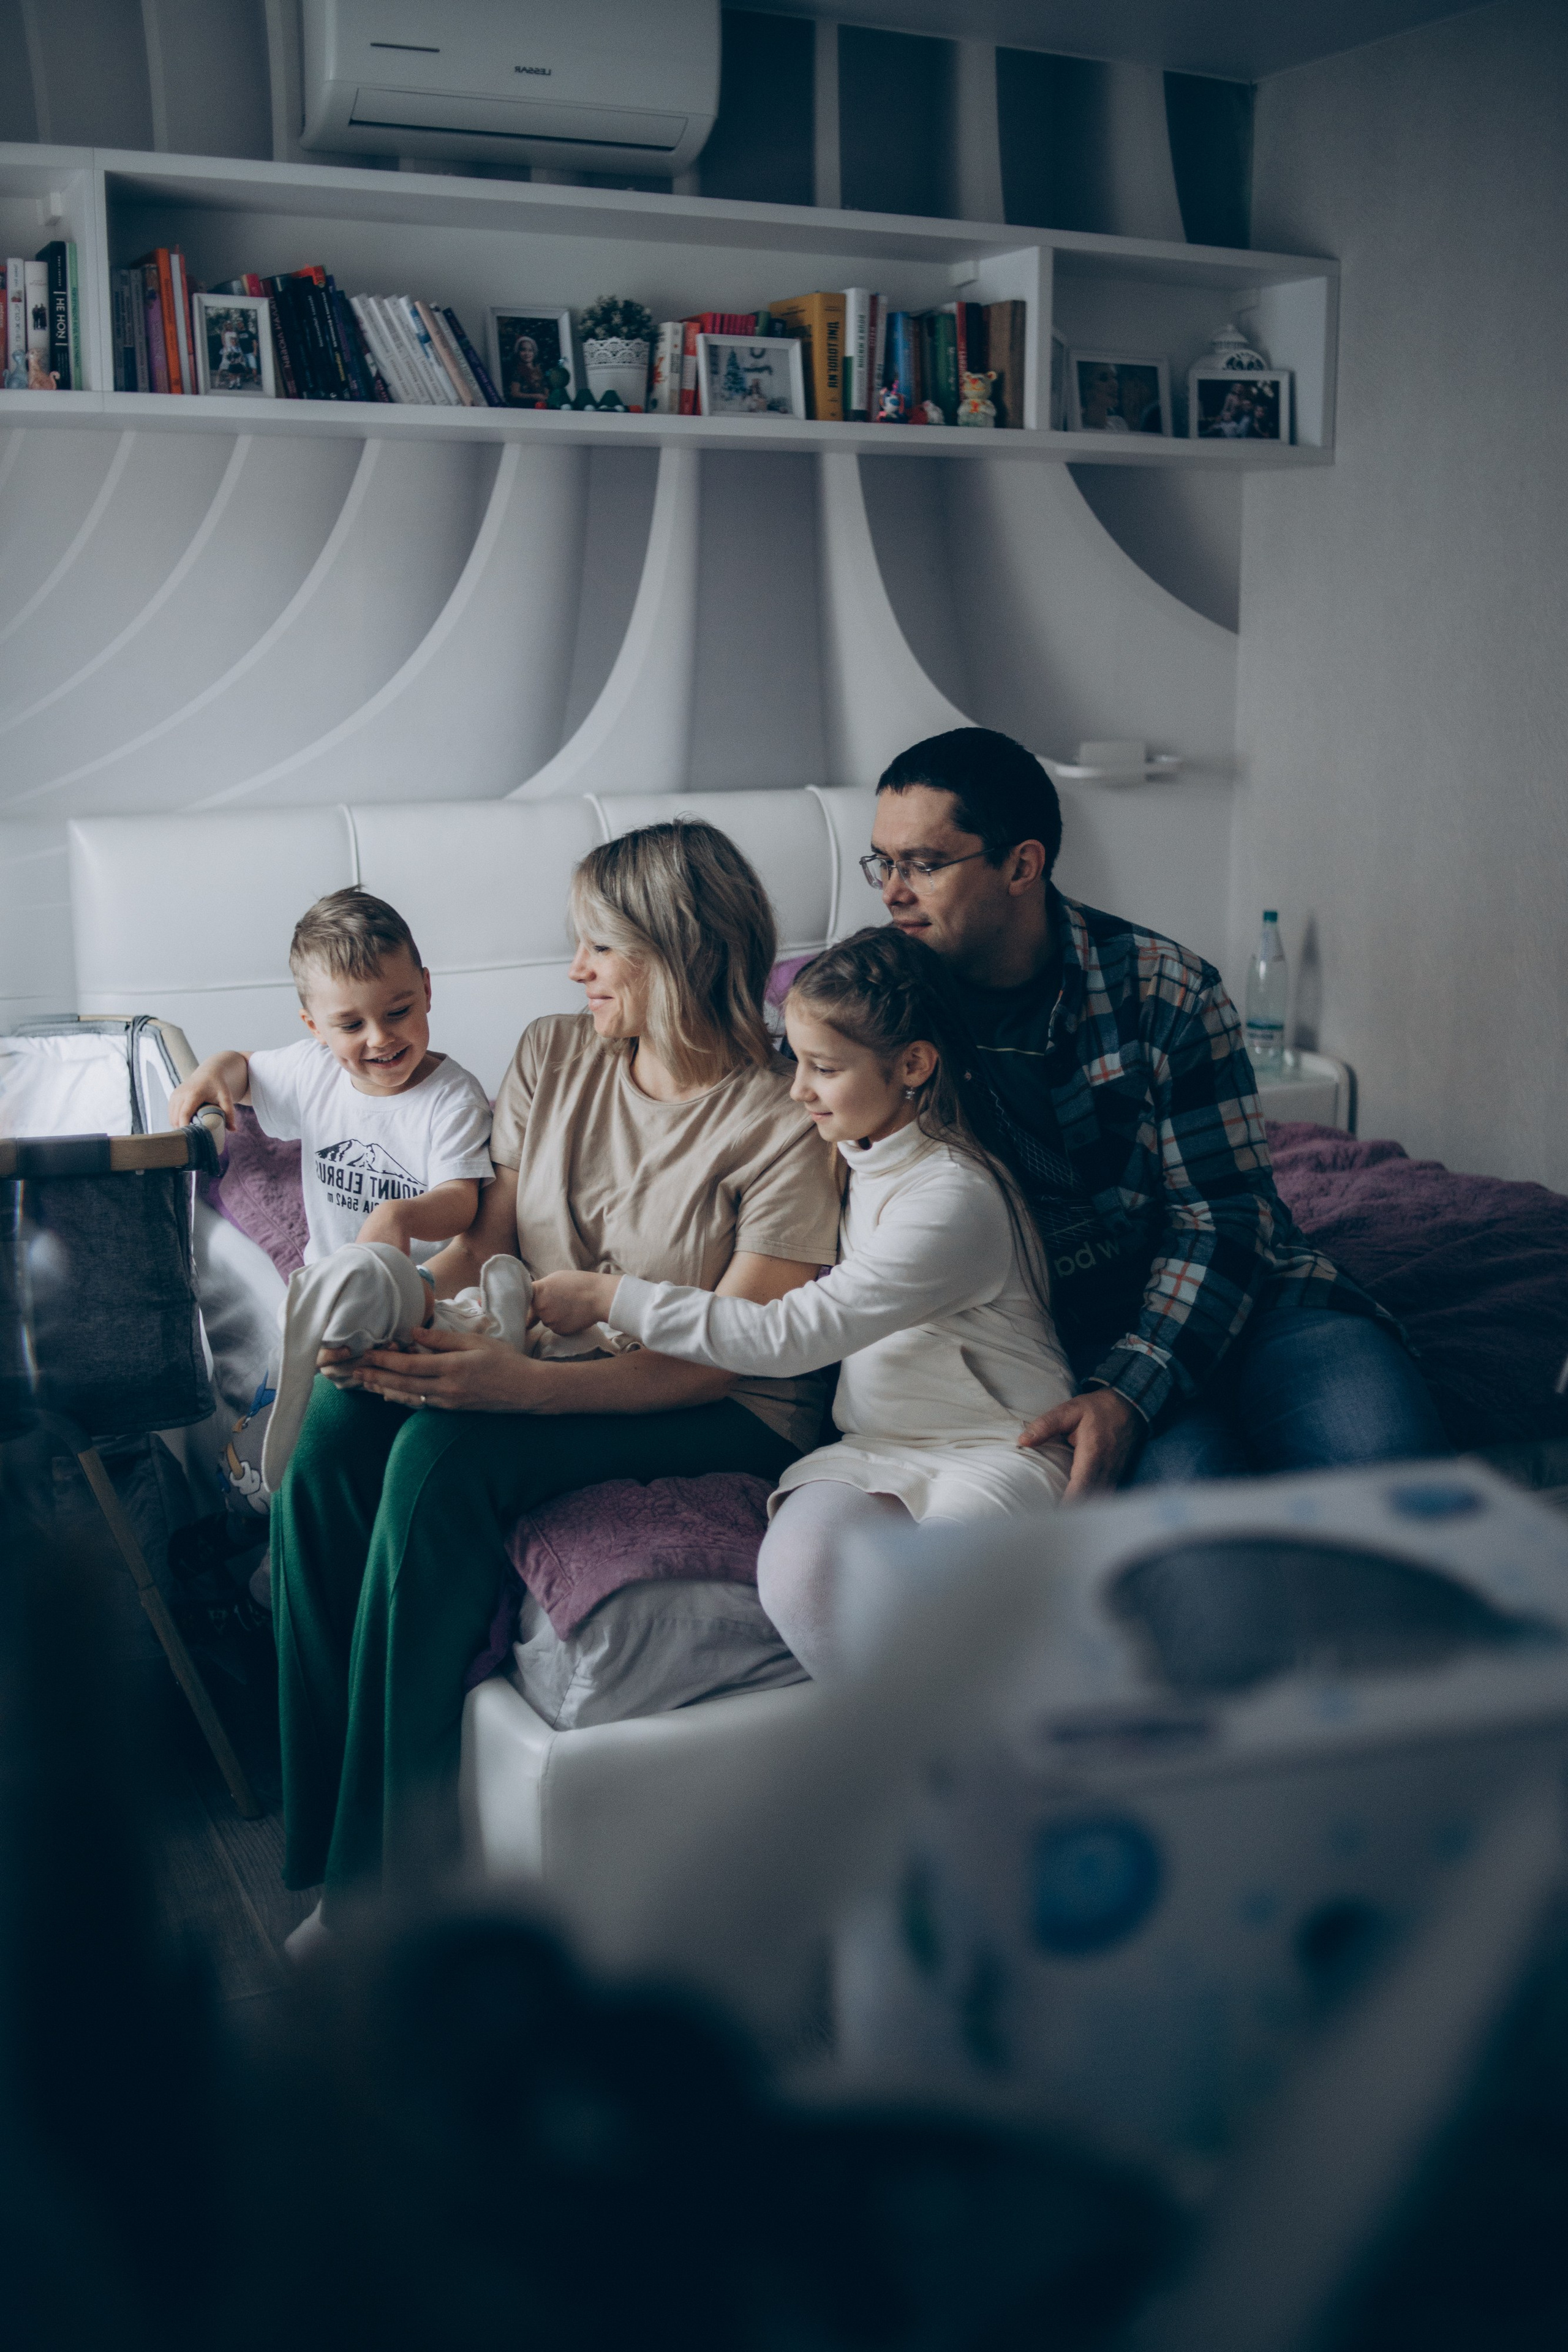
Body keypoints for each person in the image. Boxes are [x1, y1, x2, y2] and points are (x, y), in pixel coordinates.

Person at [270, 821, 842, 1923]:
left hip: (722, 1400)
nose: (575, 968)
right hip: (545, 1342)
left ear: (676, 953)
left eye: (600, 947)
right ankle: (330, 1818)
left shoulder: (785, 1118)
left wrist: (522, 1390)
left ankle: (382, 1899)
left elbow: (733, 1351)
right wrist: (405, 1317)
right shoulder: (552, 1052)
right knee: (338, 1427)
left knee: (444, 1459)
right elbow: (490, 1244)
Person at [865, 728, 1447, 1496]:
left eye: (923, 864)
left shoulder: (1163, 988)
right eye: (882, 862)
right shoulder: (874, 1008)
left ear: (1022, 866)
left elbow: (1224, 1218)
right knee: (1186, 1507)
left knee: (1389, 1461)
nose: (892, 891)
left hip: (1251, 1296)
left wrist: (1134, 1388)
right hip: (1076, 1336)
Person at [533, 925, 1076, 1679]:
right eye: (795, 1060)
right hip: (876, 1445)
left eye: (824, 1068)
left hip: (994, 1447)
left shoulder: (953, 1197)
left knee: (932, 1609)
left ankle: (957, 1743)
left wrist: (610, 1296)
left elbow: (785, 1337)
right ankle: (904, 1736)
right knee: (798, 1581)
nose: (797, 1091)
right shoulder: (854, 1152)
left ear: (913, 1064)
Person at [169, 888, 494, 1265]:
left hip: (420, 1283)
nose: (380, 1038)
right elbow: (241, 1066)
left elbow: (460, 1201)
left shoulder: (454, 1097)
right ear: (316, 1028)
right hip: (329, 1275)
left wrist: (398, 1216)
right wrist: (210, 1073)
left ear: (426, 990)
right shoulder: (312, 1070)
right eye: (352, 1025)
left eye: (398, 1012)